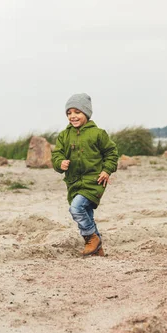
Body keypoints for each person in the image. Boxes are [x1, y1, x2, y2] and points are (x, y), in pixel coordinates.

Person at [51, 93, 119, 256]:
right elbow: (56, 155)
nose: (73, 116)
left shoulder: (98, 133)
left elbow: (111, 153)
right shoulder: (64, 135)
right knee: (86, 213)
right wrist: (60, 163)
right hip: (74, 182)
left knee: (76, 208)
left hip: (94, 180)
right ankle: (98, 249)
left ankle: (90, 237)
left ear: (86, 113)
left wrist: (106, 170)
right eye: (69, 113)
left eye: (77, 112)